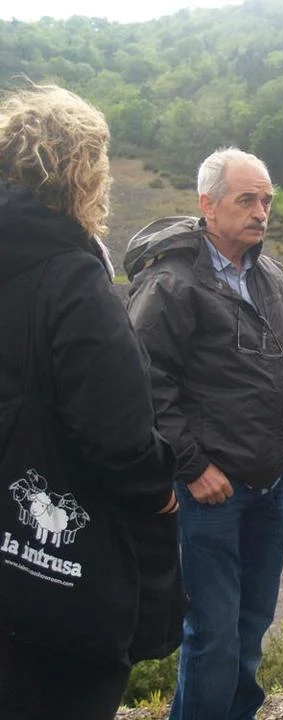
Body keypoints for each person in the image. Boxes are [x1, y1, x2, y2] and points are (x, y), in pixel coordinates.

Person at [0, 84, 181, 720]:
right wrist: (159, 488)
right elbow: (116, 428)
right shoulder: (71, 276)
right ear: (84, 174)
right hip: (53, 577)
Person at [125, 147, 283, 720]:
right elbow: (144, 382)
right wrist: (191, 466)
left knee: (250, 627)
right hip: (211, 495)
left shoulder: (274, 277)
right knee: (213, 634)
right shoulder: (171, 282)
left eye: (267, 200)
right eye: (247, 200)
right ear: (208, 206)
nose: (261, 212)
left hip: (272, 488)